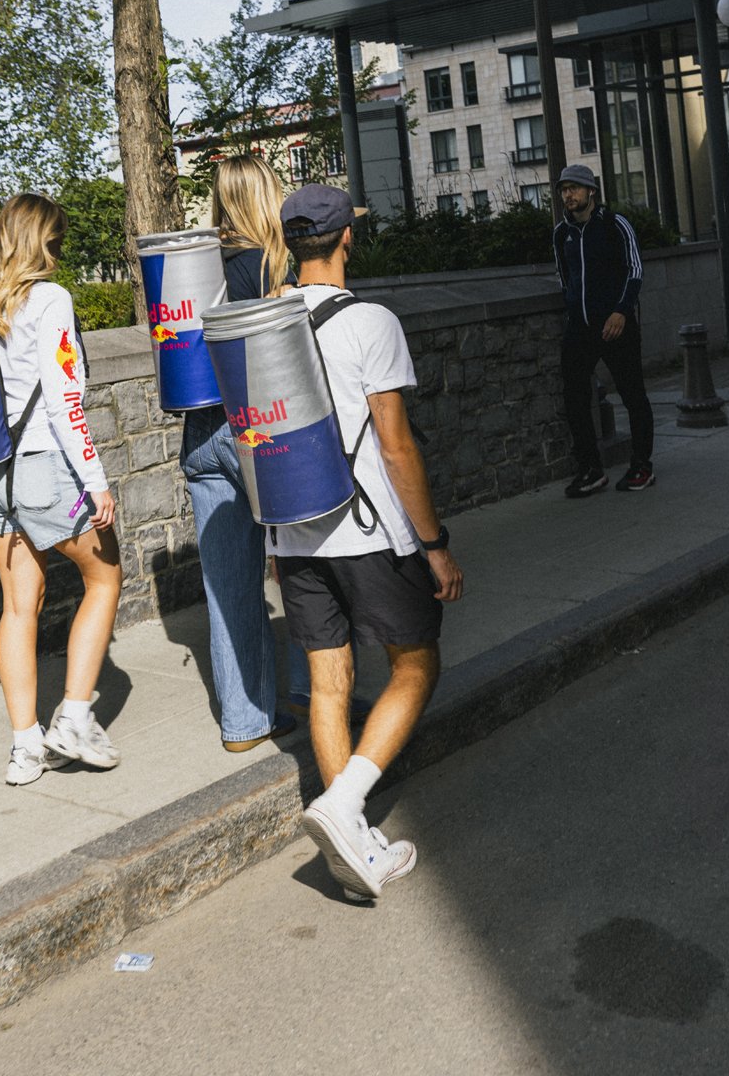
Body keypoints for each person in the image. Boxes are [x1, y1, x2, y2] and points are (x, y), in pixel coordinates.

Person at [271, 184, 464, 901]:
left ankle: (348, 844)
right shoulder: (370, 322)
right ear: (346, 238)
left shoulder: (263, 322)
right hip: (367, 529)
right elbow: (395, 446)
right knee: (415, 665)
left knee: (328, 680)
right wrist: (433, 542)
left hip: (293, 530)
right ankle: (343, 805)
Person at [0, 193, 122, 785]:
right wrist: (95, 480)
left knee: (17, 606)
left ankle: (24, 747)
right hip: (42, 466)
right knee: (105, 575)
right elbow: (63, 401)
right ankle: (74, 718)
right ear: (44, 241)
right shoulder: (51, 300)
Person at [181, 156, 297, 751]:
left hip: (199, 436)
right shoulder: (269, 263)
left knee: (227, 585)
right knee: (304, 563)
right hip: (253, 429)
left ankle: (244, 721)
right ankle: (309, 688)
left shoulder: (193, 269)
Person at [554, 163, 655, 497]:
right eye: (564, 189)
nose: (568, 195)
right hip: (580, 329)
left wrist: (621, 311)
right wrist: (573, 312)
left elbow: (635, 269)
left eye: (574, 188)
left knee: (632, 394)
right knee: (575, 398)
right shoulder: (561, 233)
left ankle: (642, 465)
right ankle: (591, 469)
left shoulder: (614, 225)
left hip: (616, 325)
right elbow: (565, 278)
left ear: (590, 191)